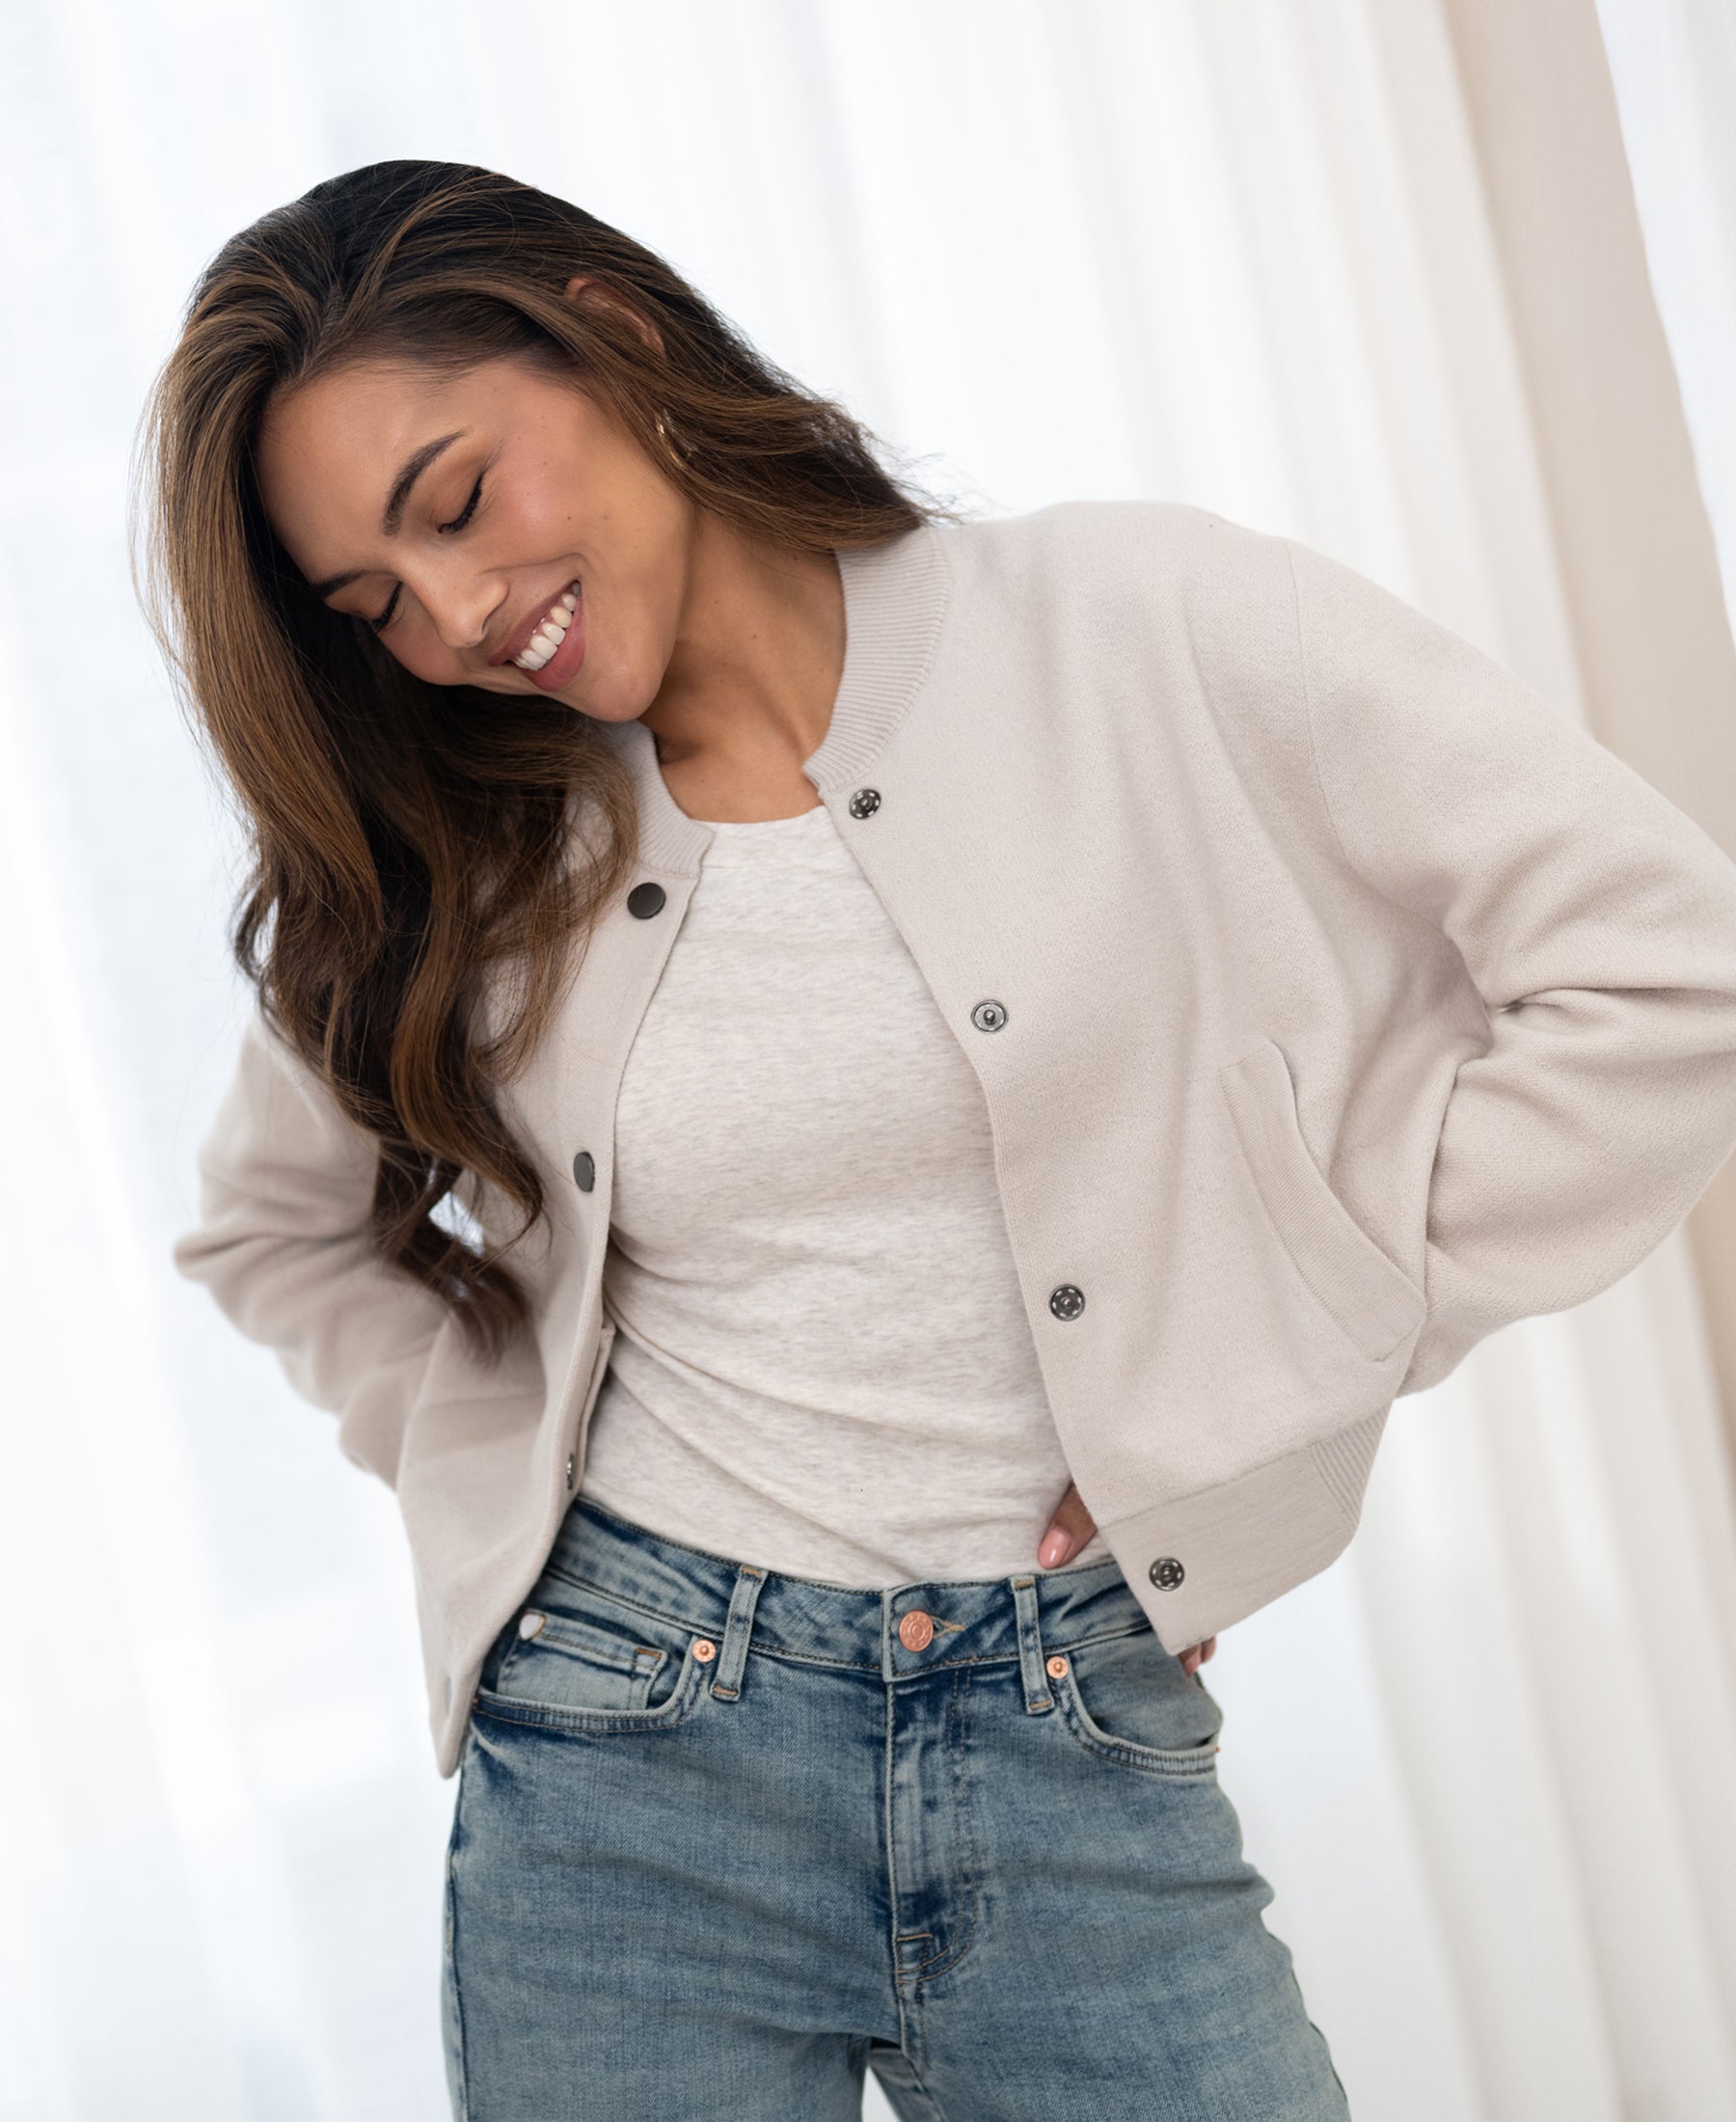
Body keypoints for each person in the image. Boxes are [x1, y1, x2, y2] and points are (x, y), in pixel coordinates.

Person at [138, 159, 1736, 2120]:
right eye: (374, 603)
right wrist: (496, 1460)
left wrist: (1290, 1351)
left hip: (1073, 1722)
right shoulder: (462, 838)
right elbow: (269, 1235)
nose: (462, 614)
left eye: (458, 500)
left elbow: (1672, 976)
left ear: (611, 333)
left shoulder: (1139, 621)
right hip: (630, 1766)